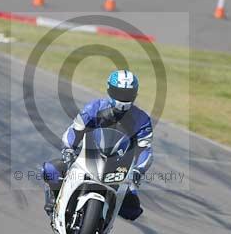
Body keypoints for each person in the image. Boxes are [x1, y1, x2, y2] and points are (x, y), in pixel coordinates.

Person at [41, 70, 152, 221]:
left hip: (119, 167)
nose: (122, 99)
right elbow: (76, 129)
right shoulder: (95, 107)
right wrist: (68, 148)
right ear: (109, 90)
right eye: (119, 92)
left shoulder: (142, 119)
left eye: (127, 94)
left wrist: (139, 170)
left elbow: (145, 148)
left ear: (135, 94)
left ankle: (104, 219)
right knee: (51, 169)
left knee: (133, 208)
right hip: (88, 155)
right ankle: (54, 199)